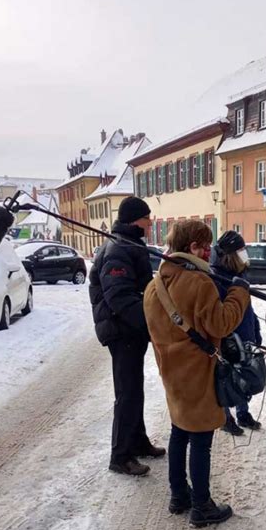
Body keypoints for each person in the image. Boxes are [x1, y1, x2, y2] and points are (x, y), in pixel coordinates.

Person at [143, 219, 250, 527]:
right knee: (201, 440)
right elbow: (221, 324)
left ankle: (179, 495)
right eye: (205, 246)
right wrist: (239, 293)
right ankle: (202, 506)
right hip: (198, 374)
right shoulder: (198, 283)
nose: (208, 252)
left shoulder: (154, 285)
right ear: (192, 247)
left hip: (172, 374)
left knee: (179, 432)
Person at [89, 195, 165, 476]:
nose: (150, 222)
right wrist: (150, 324)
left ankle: (138, 440)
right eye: (147, 217)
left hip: (130, 330)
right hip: (123, 331)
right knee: (127, 392)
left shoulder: (129, 245)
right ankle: (120, 456)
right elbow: (120, 297)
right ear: (137, 219)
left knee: (135, 389)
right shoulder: (118, 249)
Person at [210, 230, 262, 435]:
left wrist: (255, 330)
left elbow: (247, 307)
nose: (244, 253)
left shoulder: (239, 274)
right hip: (228, 337)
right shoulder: (215, 277)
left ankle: (243, 413)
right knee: (226, 377)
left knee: (244, 375)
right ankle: (226, 417)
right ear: (230, 254)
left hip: (246, 332)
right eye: (240, 250)